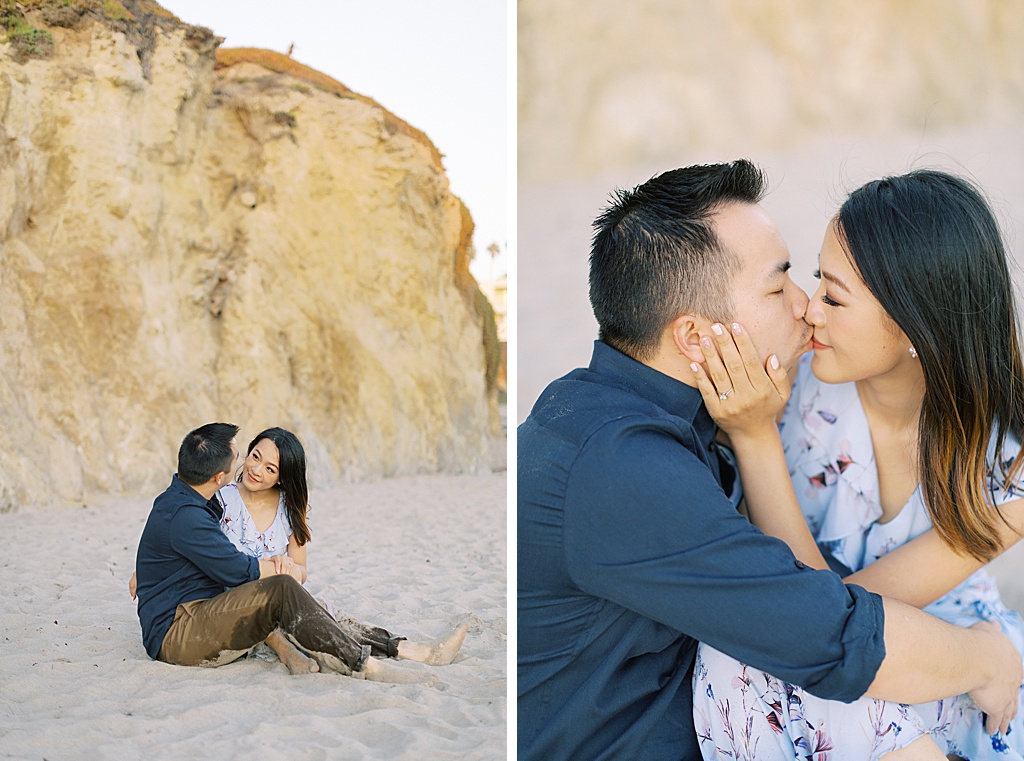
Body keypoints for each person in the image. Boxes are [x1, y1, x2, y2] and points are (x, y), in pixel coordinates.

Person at [517, 161, 1023, 760]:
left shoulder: (682, 413)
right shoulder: (626, 461)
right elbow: (822, 628)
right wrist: (984, 657)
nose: (806, 307)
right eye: (781, 286)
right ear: (695, 337)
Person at [690, 170, 1024, 759]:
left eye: (834, 297)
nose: (808, 311)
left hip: (947, 659)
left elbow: (832, 621)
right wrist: (754, 427)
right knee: (733, 661)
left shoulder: (1008, 466)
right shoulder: (787, 386)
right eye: (817, 278)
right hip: (821, 657)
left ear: (917, 324)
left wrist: (756, 439)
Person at [134, 422, 468, 682]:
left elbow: (178, 544)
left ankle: (406, 650)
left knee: (307, 602)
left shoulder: (188, 501)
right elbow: (235, 569)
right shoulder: (205, 507)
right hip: (180, 629)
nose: (252, 468)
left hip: (202, 609)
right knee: (284, 591)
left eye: (270, 467)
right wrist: (281, 568)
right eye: (248, 457)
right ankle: (364, 666)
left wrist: (147, 570)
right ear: (219, 476)